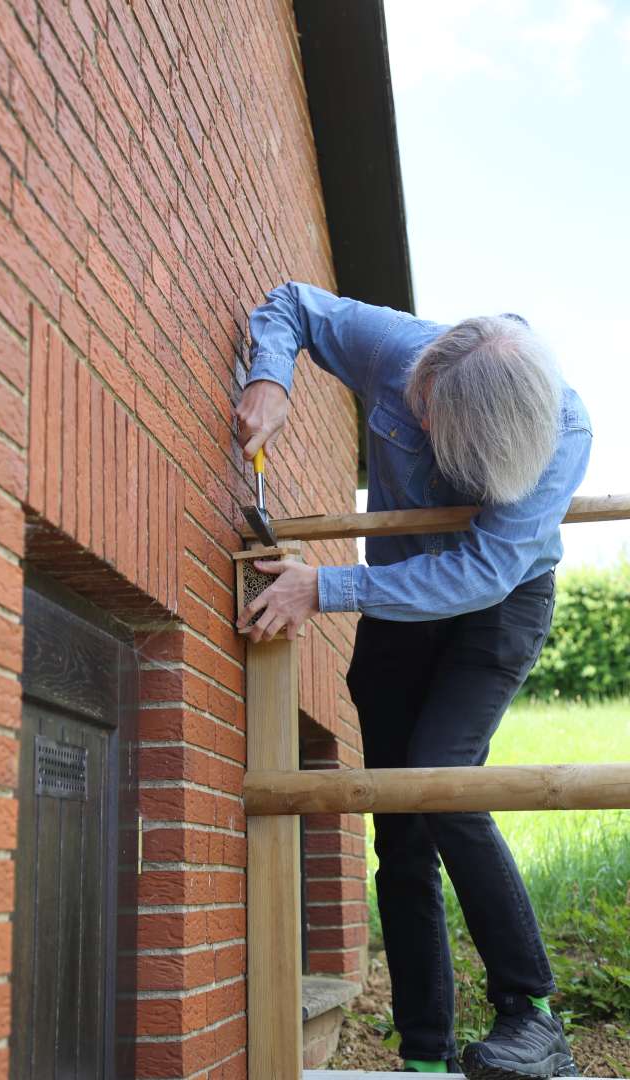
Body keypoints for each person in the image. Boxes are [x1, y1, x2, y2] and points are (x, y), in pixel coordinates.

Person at [233, 281, 592, 1080]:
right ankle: (426, 1053)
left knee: (442, 779)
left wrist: (322, 587)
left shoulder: (564, 432)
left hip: (497, 604)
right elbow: (292, 304)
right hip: (399, 599)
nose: (418, 421)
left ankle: (533, 1017)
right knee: (395, 823)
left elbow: (483, 575)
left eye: (440, 425)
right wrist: (271, 375)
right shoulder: (401, 350)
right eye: (417, 406)